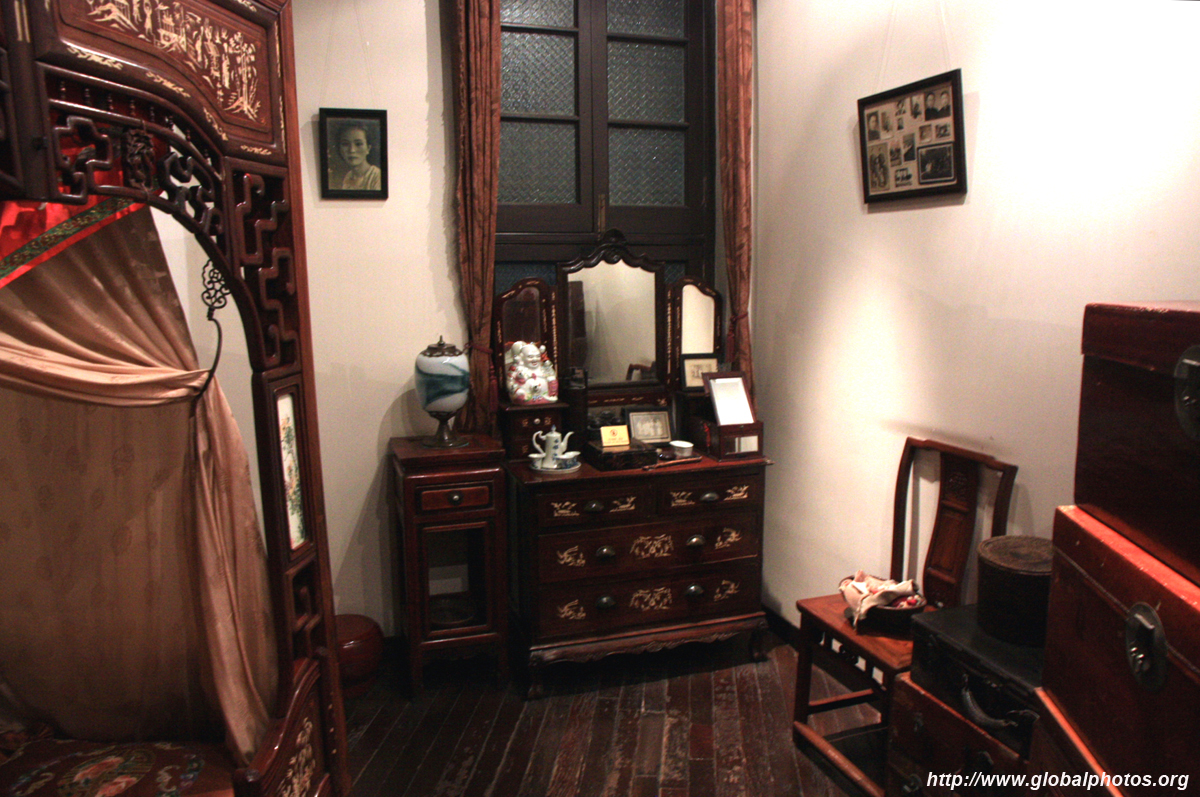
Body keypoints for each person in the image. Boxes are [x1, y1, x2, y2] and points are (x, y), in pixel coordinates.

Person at [335, 122, 381, 191]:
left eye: (358, 144)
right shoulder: (348, 177)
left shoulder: (377, 176)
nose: (352, 150)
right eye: (345, 144)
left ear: (368, 148)